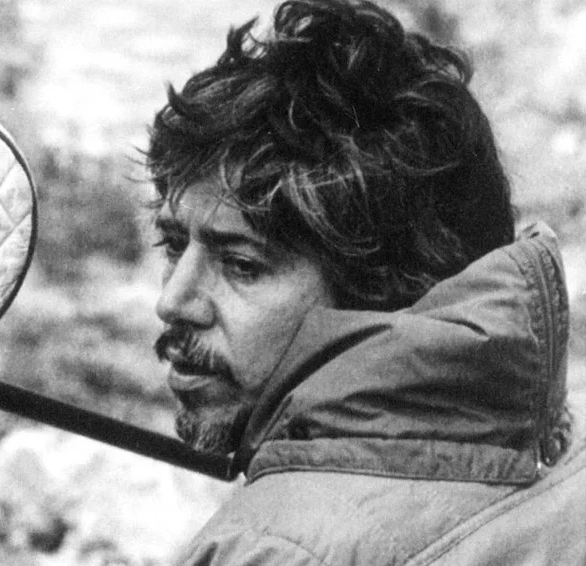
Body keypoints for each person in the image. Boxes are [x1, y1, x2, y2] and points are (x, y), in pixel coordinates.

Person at [147, 0, 586, 564]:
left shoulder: (271, 549)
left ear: (379, 291)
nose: (173, 301)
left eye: (242, 265)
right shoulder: (566, 457)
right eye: (174, 244)